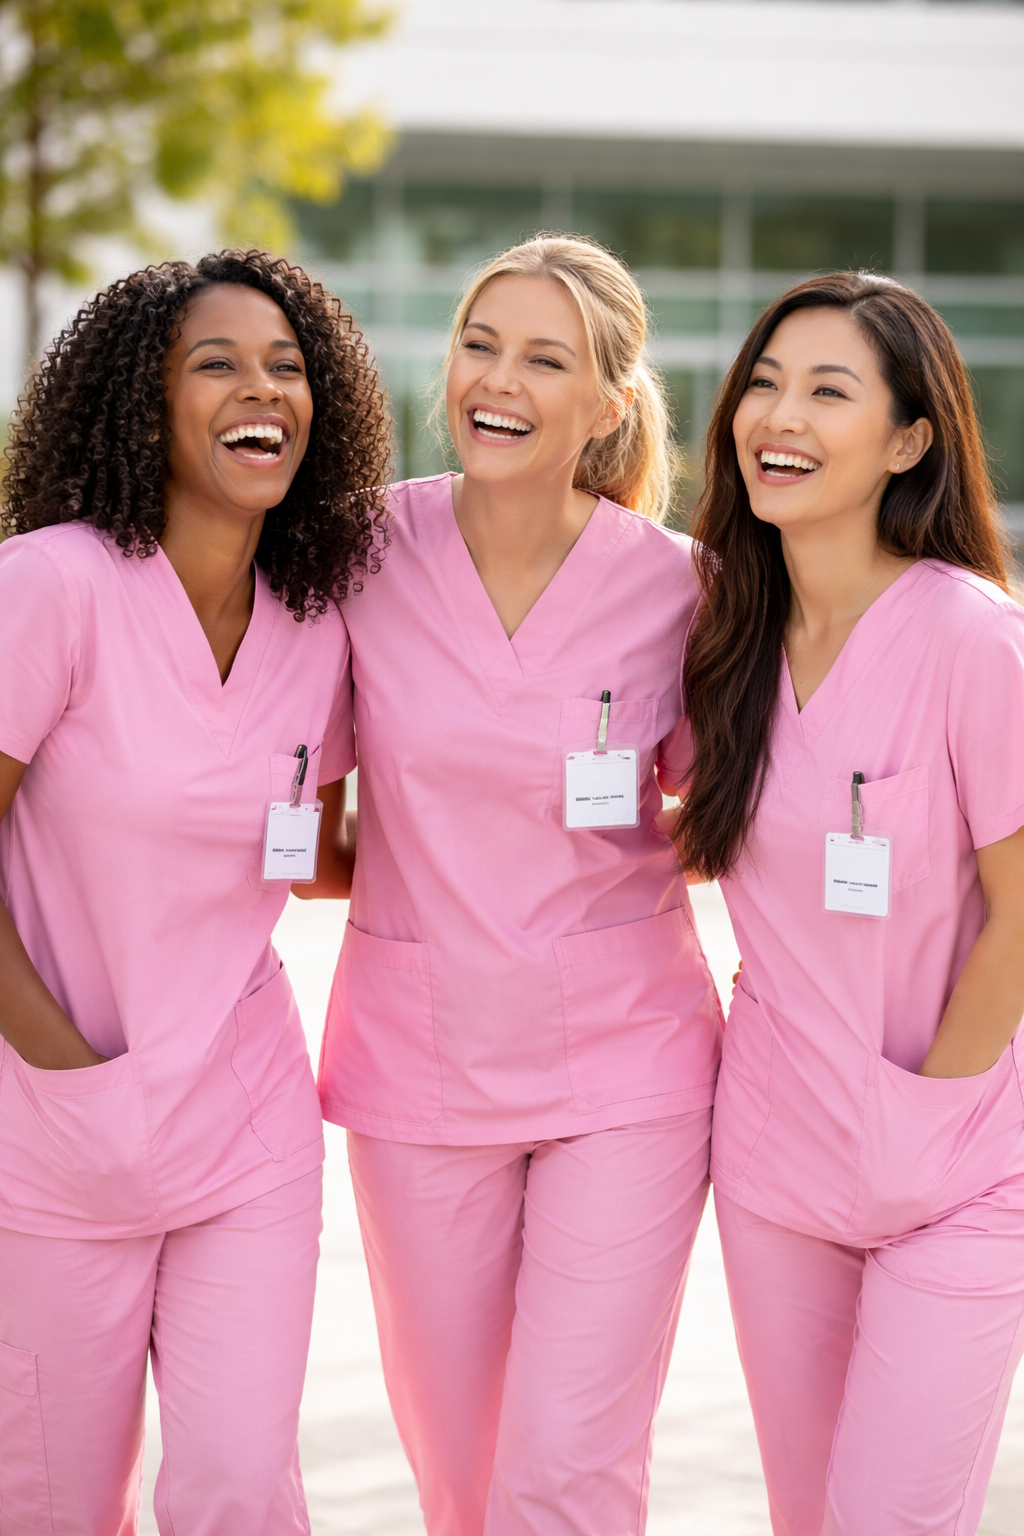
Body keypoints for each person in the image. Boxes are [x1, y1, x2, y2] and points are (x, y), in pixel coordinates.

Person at [306, 235, 723, 1536]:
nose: (498, 378)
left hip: (629, 1074)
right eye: (481, 344)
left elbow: (726, 816)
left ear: (608, 401)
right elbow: (301, 816)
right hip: (420, 1071)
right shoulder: (360, 555)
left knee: (568, 1472)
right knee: (461, 1476)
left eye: (544, 358)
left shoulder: (680, 589)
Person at [0, 249, 389, 1534]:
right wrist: (66, 1075)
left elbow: (311, 849)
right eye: (214, 364)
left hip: (243, 1124)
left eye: (285, 366)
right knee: (53, 1498)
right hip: (47, 1135)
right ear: (141, 402)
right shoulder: (49, 587)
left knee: (238, 1485)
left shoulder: (316, 620)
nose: (257, 389)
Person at [676, 270, 1024, 1536]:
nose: (780, 414)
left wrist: (927, 1107)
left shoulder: (972, 639)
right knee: (806, 1516)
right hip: (778, 1164)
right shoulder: (726, 632)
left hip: (961, 1170)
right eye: (764, 382)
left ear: (909, 440)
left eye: (829, 389)